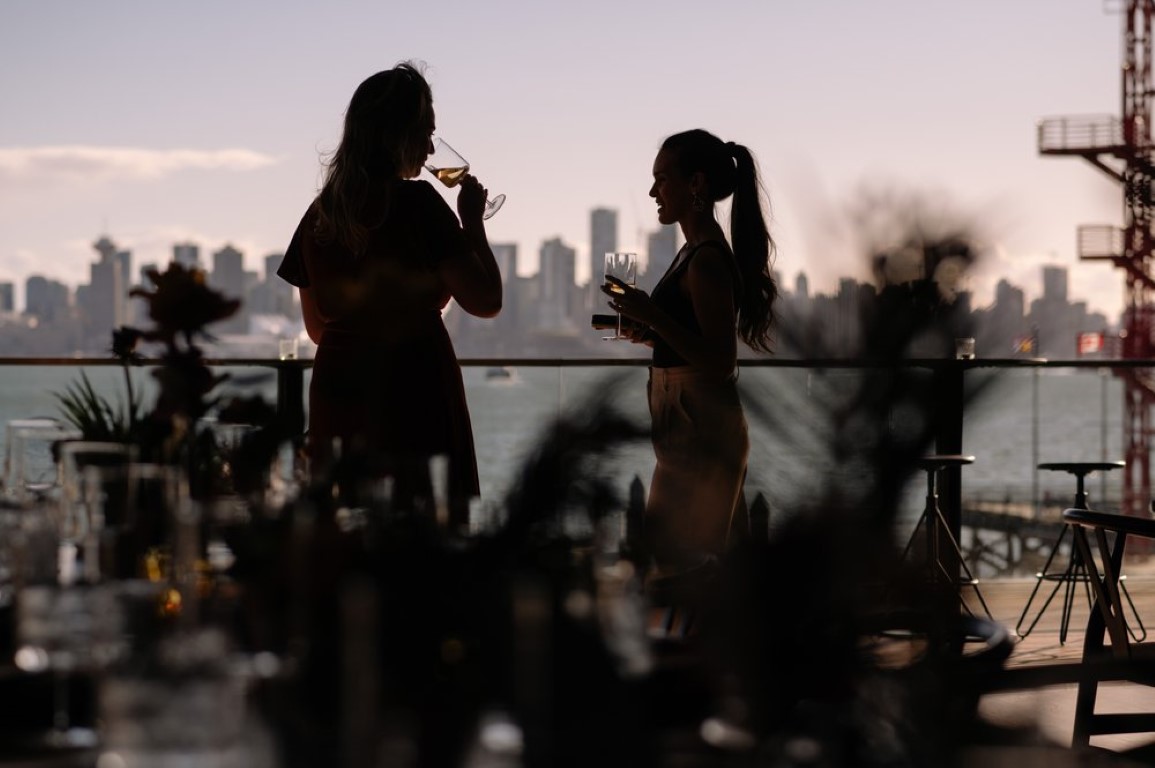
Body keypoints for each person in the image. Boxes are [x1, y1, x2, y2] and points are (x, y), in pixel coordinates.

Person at [277, 62, 502, 524]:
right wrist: (473, 223)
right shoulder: (419, 204)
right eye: (425, 133)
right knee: (426, 529)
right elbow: (486, 301)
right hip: (415, 386)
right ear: (397, 135)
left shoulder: (319, 215)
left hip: (338, 392)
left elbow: (318, 329)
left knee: (346, 529)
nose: (429, 148)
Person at [603, 129, 778, 571]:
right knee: (695, 568)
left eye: (662, 179)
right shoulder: (692, 252)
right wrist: (648, 333)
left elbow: (721, 361)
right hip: (685, 426)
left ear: (695, 184)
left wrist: (654, 316)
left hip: (701, 429)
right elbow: (692, 338)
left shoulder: (707, 260)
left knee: (679, 567)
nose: (652, 191)